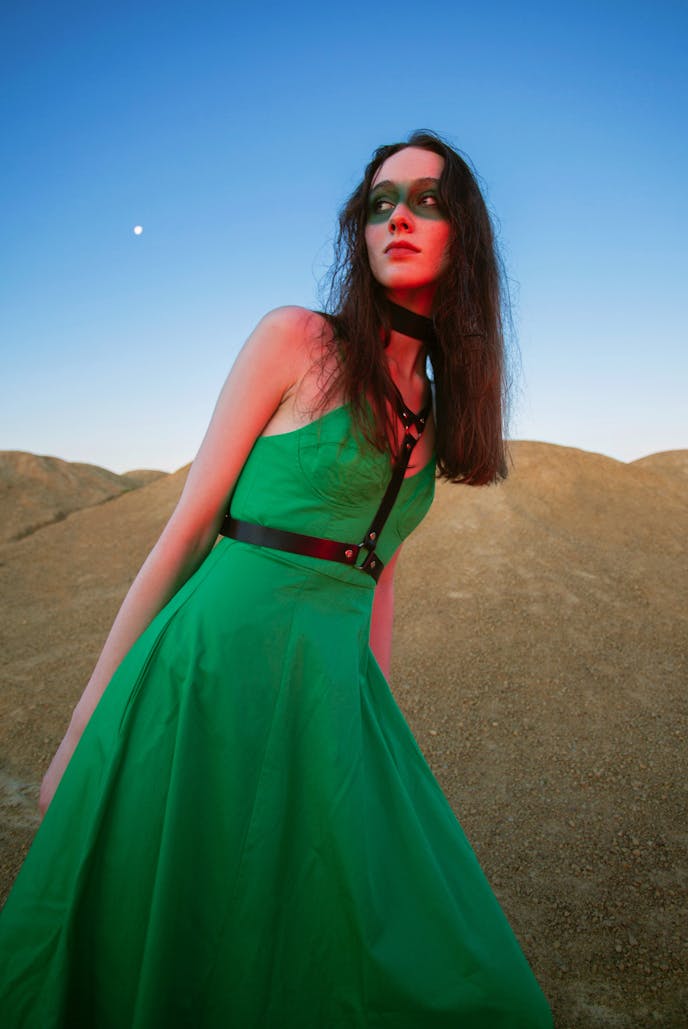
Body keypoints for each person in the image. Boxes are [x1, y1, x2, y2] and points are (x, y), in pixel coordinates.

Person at [0, 131, 553, 1027]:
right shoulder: (297, 340)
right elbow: (186, 530)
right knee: (163, 915)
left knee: (393, 946)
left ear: (466, 236)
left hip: (328, 697)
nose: (398, 218)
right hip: (205, 674)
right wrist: (83, 721)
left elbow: (378, 573)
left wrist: (367, 720)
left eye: (425, 200)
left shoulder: (439, 415)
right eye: (379, 204)